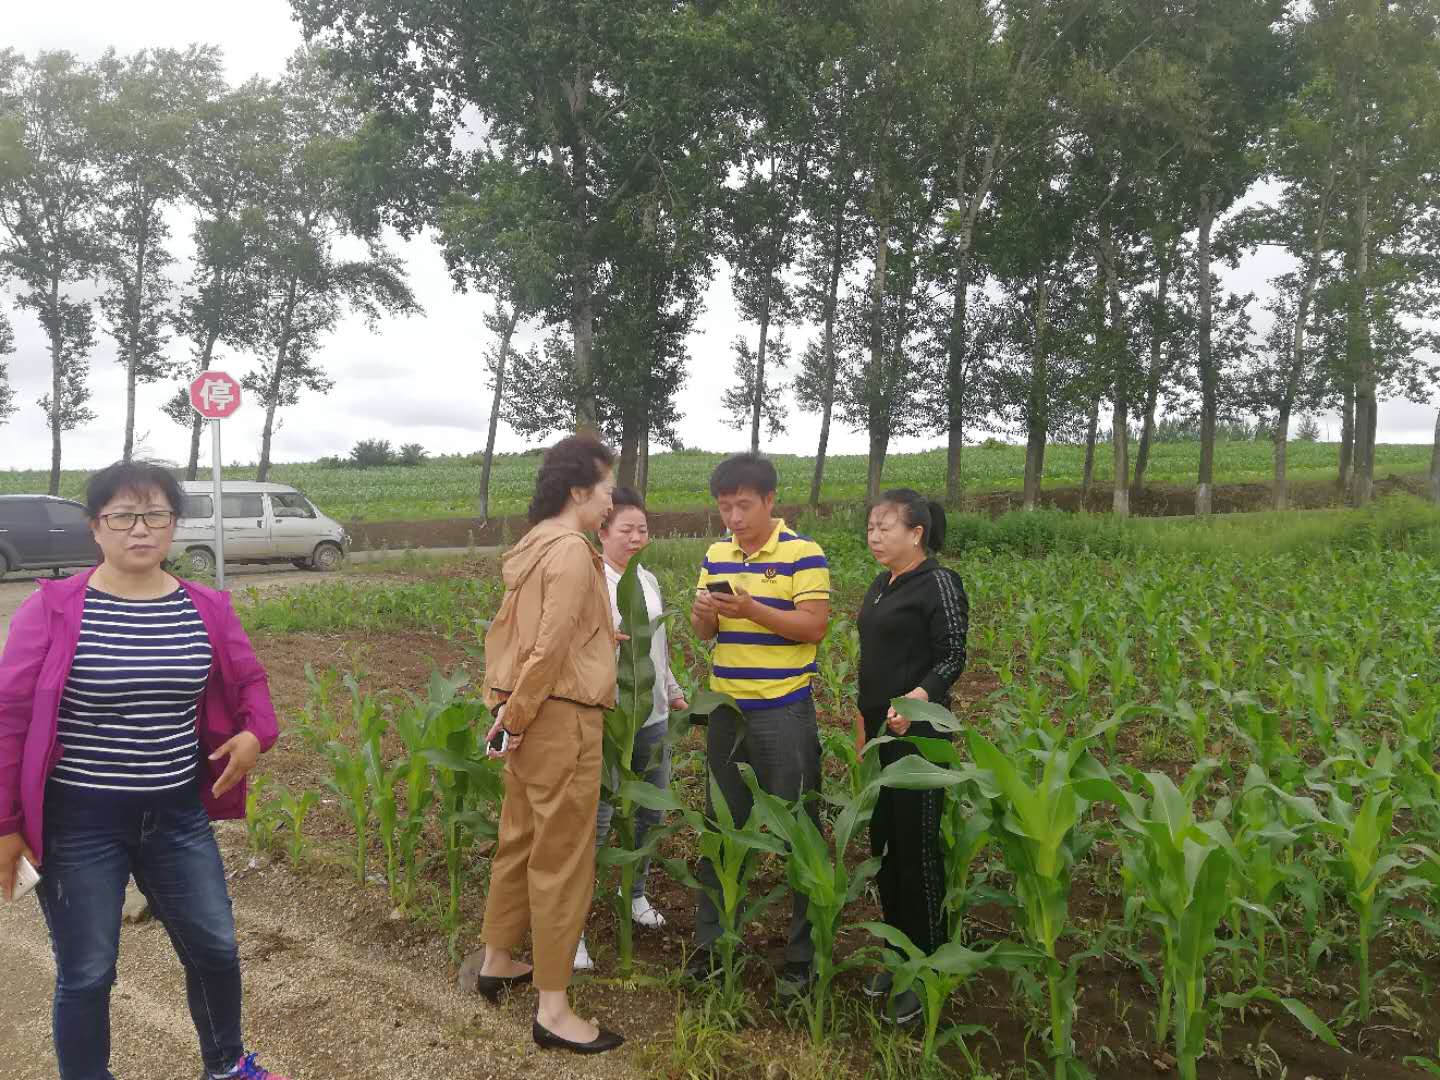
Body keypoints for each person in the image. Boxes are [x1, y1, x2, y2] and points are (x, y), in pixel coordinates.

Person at [0, 460, 289, 1080]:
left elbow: (250, 681)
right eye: (123, 516)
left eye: (155, 514)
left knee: (215, 948)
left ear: (173, 524)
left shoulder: (206, 607)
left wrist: (255, 735)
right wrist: (6, 824)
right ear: (95, 526)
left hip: (176, 813)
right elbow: (9, 718)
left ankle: (227, 1067)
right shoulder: (52, 609)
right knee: (87, 971)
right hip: (79, 821)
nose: (140, 528)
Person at [473, 433, 625, 1055]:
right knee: (562, 857)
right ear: (579, 490)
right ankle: (554, 1009)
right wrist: (518, 714)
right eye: (607, 488)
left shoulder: (532, 546)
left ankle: (497, 958)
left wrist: (508, 712)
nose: (612, 500)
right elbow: (550, 644)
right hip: (560, 719)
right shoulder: (571, 551)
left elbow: (522, 636)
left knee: (520, 837)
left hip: (528, 714)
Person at [687, 453, 830, 996]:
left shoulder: (803, 553)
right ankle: (713, 947)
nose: (734, 517)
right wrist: (706, 615)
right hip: (727, 712)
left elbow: (812, 627)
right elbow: (706, 633)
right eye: (725, 506)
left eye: (744, 505)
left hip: (782, 711)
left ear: (770, 500)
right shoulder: (716, 553)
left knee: (799, 832)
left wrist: (752, 611)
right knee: (721, 829)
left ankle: (802, 958)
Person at [855, 489, 969, 1025]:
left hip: (920, 738)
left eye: (885, 527)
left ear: (916, 533)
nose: (875, 537)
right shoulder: (881, 585)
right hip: (882, 737)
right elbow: (871, 664)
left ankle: (925, 969)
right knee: (885, 846)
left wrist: (915, 703)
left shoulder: (939, 582)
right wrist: (865, 727)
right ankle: (898, 951)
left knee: (916, 851)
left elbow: (951, 656)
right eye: (871, 528)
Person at [574, 487, 688, 972]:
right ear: (602, 532)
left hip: (652, 716)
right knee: (596, 824)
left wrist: (673, 688)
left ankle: (634, 893)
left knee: (648, 814)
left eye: (643, 529)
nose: (636, 537)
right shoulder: (589, 581)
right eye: (626, 529)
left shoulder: (647, 579)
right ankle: (573, 928)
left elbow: (657, 648)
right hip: (609, 718)